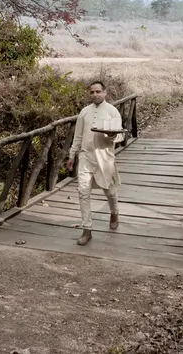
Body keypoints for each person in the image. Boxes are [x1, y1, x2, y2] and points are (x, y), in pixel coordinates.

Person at [67, 81, 125, 246]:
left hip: (104, 156)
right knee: (83, 192)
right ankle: (87, 229)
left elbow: (120, 135)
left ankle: (114, 213)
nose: (95, 95)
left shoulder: (112, 111)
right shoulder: (84, 112)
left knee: (109, 191)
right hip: (85, 157)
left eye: (98, 91)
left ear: (105, 92)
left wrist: (113, 136)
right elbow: (78, 136)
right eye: (92, 92)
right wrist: (72, 155)